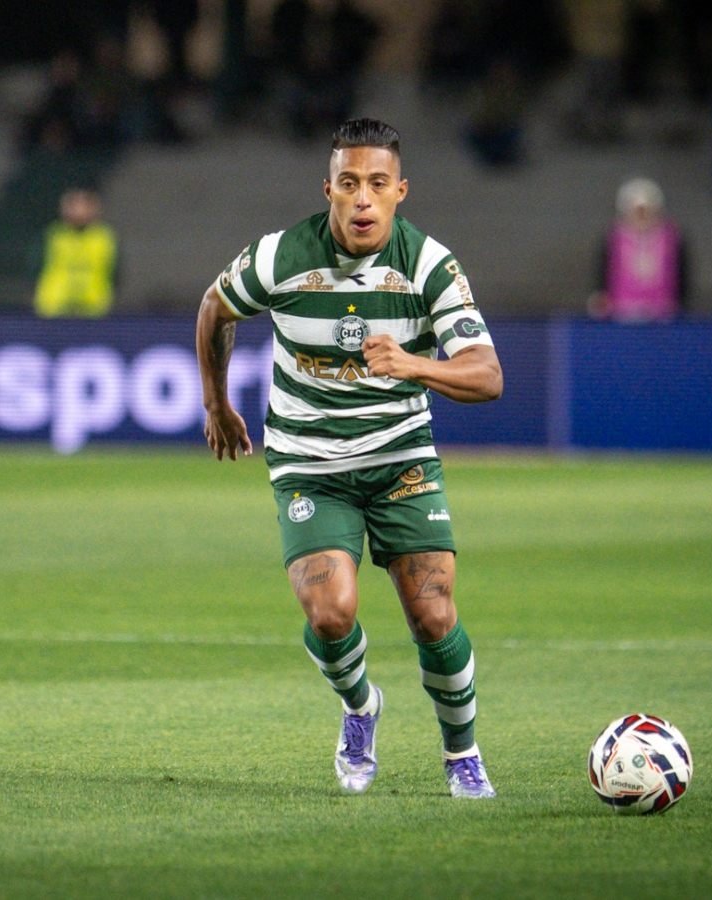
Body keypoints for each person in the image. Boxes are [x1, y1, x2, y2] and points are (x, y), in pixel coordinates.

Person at [195, 117, 503, 799]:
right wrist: (216, 404)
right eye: (349, 184)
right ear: (328, 189)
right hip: (309, 461)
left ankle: (462, 754)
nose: (362, 199)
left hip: (400, 460)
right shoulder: (280, 257)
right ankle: (361, 706)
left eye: (377, 185)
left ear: (400, 192)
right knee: (330, 612)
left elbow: (487, 375)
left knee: (434, 615)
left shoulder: (427, 264)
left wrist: (414, 365)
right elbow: (216, 308)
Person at [589, 177, 689, 322]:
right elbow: (604, 272)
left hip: (664, 313)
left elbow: (682, 274)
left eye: (647, 211)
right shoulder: (614, 238)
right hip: (623, 313)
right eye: (637, 211)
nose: (642, 217)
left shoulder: (672, 237)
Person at [33, 187, 118, 317]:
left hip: (94, 309)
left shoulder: (104, 238)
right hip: (54, 307)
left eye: (85, 206)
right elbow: (34, 266)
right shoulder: (53, 235)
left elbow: (115, 271)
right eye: (74, 206)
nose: (79, 211)